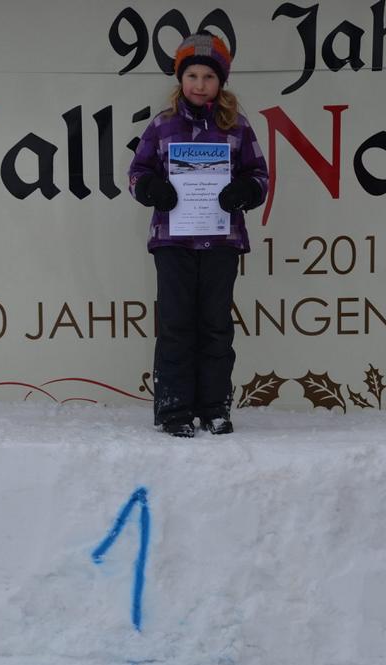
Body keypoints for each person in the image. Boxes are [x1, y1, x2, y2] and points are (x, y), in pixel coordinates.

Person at [128, 31, 268, 438]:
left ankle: (214, 408)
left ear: (220, 81)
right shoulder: (162, 125)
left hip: (221, 241)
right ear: (181, 79)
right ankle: (174, 410)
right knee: (176, 323)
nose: (200, 84)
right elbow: (137, 174)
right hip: (173, 241)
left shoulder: (237, 126)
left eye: (209, 76)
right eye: (192, 75)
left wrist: (244, 191)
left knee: (215, 325)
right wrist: (152, 188)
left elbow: (259, 175)